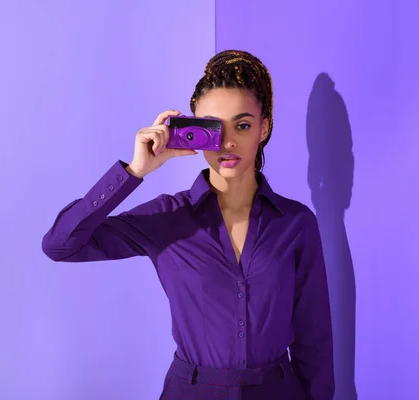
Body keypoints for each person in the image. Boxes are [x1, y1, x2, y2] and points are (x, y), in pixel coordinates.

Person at [41, 50, 334, 400]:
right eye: (214, 127)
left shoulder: (296, 224)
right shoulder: (168, 218)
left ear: (264, 127)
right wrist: (134, 172)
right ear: (194, 129)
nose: (228, 142)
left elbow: (315, 342)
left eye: (243, 125)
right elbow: (61, 245)